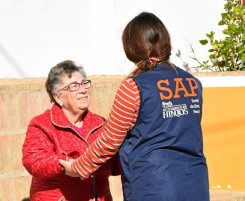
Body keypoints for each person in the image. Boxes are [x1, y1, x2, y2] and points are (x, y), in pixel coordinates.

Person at [60, 12, 210, 201]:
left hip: (153, 187)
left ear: (130, 48)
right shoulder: (193, 83)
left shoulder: (133, 87)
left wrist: (77, 167)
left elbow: (109, 142)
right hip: (195, 184)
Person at [22, 60, 121, 201]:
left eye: (84, 83)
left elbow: (115, 166)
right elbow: (33, 160)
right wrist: (66, 164)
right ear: (58, 97)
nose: (83, 90)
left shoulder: (100, 124)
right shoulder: (42, 124)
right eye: (74, 86)